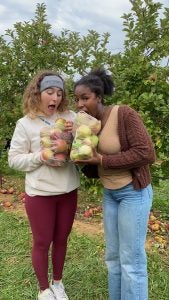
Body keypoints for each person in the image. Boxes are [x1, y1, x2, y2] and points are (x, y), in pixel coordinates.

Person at [73, 67, 156, 300]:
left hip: (133, 193)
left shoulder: (123, 114)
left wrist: (101, 159)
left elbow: (146, 153)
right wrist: (76, 150)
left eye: (85, 98)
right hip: (110, 194)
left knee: (131, 260)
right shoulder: (88, 126)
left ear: (98, 97)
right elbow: (94, 170)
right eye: (77, 99)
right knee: (113, 257)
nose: (79, 104)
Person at [8, 70, 80, 300]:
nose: (55, 98)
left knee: (61, 239)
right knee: (42, 241)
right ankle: (43, 289)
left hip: (68, 190)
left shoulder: (70, 117)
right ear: (37, 93)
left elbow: (86, 145)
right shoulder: (25, 123)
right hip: (40, 194)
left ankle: (57, 283)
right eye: (50, 92)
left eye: (59, 93)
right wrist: (40, 156)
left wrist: (75, 134)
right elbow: (14, 159)